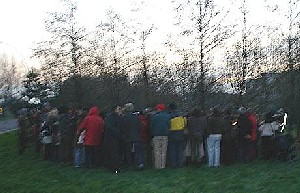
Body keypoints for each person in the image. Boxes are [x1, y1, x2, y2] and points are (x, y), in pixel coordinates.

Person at [121, 103, 144, 169]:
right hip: (136, 136)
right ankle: (139, 164)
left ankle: (129, 164)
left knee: (127, 152)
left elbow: (122, 128)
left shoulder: (123, 117)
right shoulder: (136, 117)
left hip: (127, 137)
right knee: (138, 152)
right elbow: (140, 127)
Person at [150, 103, 170, 169]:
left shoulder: (154, 117)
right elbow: (169, 125)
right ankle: (162, 165)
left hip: (156, 135)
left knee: (157, 151)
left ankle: (157, 165)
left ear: (158, 109)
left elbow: (151, 126)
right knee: (163, 151)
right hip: (165, 135)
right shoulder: (167, 116)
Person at [103, 105, 123, 173]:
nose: (121, 110)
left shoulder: (112, 117)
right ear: (115, 110)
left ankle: (114, 167)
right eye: (119, 109)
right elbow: (112, 128)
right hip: (112, 139)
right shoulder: (112, 118)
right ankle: (115, 168)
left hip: (113, 138)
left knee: (114, 153)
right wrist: (119, 134)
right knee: (114, 153)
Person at [168, 102, 187, 168]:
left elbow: (168, 125)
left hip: (172, 134)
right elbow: (185, 124)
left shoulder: (169, 116)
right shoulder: (182, 115)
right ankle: (180, 164)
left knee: (172, 150)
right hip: (181, 133)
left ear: (170, 108)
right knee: (180, 150)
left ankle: (173, 164)